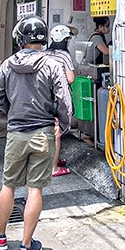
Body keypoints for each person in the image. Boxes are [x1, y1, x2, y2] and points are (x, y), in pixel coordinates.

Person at [0, 16, 73, 250]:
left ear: (21, 39)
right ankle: (26, 247)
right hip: (43, 133)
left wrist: (12, 112)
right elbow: (64, 102)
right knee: (35, 188)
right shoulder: (52, 64)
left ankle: (1, 236)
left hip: (16, 132)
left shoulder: (7, 65)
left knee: (9, 184)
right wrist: (62, 125)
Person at [46, 24, 76, 177]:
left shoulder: (45, 53)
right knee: (57, 132)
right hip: (59, 97)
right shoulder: (64, 55)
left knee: (50, 129)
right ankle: (53, 168)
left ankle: (53, 160)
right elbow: (70, 79)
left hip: (45, 97)